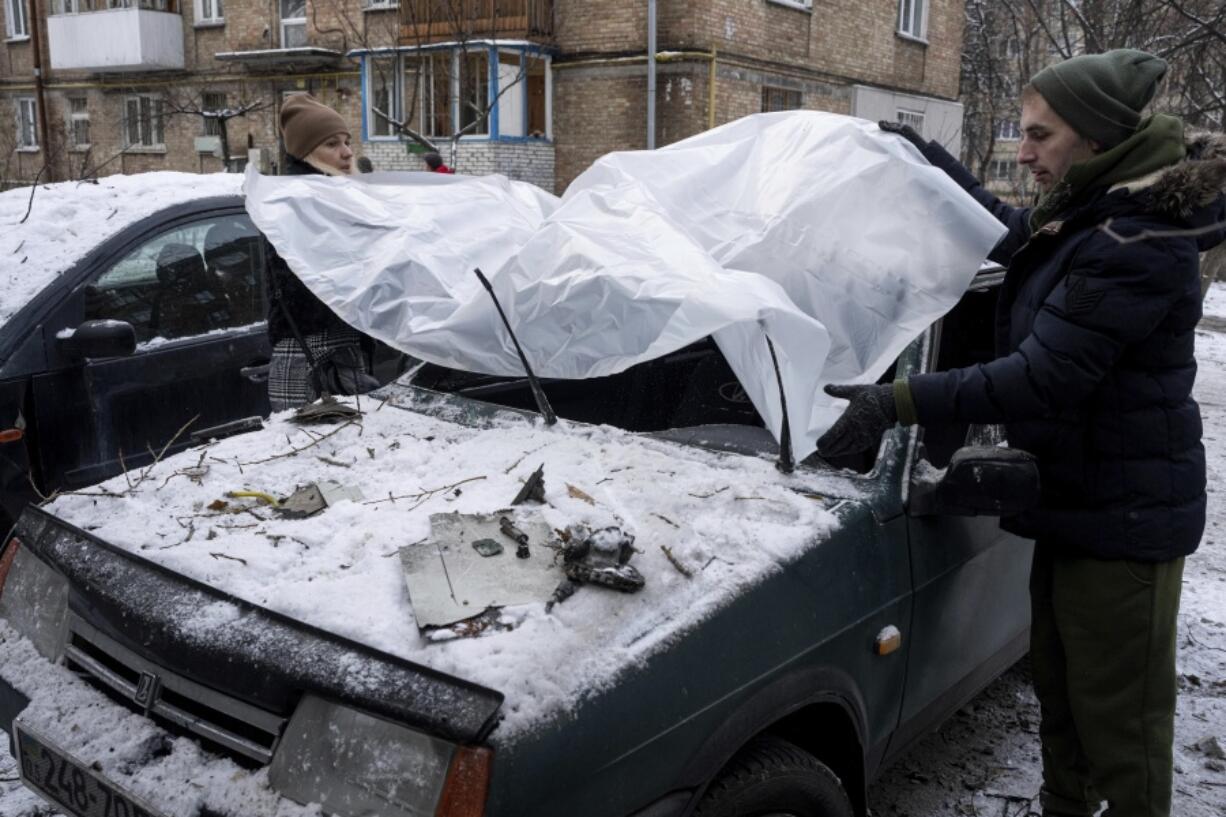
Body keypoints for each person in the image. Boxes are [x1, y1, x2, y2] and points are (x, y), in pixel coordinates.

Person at [819, 50, 1225, 817]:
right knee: (1064, 693)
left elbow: (1041, 376)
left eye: (1040, 135)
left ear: (1097, 138)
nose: (1024, 150)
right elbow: (1017, 241)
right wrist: (933, 165)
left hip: (1127, 521)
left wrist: (893, 401)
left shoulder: (1138, 244)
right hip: (1080, 498)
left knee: (1122, 724)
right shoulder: (1101, 210)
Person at [265, 93, 379, 411]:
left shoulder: (335, 194)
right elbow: (301, 286)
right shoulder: (296, 200)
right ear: (306, 151)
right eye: (331, 144)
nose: (346, 153)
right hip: (311, 352)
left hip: (336, 345)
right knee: (310, 448)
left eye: (346, 141)